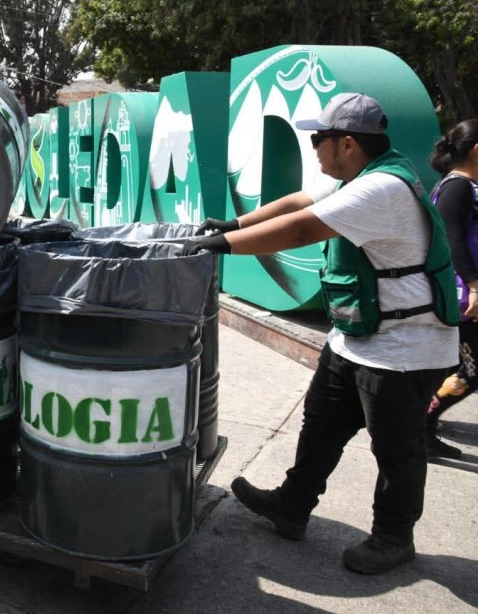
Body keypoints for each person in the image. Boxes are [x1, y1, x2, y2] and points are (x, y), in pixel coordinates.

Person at [187, 93, 459, 575]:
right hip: (358, 338)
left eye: (318, 139)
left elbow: (299, 230)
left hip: (404, 349)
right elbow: (297, 202)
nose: (313, 148)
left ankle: (394, 538)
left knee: (396, 449)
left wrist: (220, 246)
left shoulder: (381, 191)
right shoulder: (363, 175)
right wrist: (233, 223)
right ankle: (291, 507)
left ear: (348, 143)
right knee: (322, 424)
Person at [427, 118, 478, 459]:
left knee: (450, 365)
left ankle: (420, 422)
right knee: (471, 368)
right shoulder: (458, 187)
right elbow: (452, 239)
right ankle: (422, 422)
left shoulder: (466, 186)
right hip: (462, 296)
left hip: (465, 294)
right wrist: (474, 287)